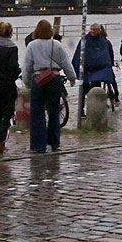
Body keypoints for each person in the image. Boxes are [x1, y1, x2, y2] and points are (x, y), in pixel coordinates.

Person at [22, 19, 76, 153]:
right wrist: (72, 78)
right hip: (54, 78)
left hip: (39, 78)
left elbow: (27, 66)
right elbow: (66, 63)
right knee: (53, 111)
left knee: (37, 113)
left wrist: (27, 82)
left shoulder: (32, 46)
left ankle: (37, 145)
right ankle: (54, 142)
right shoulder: (56, 45)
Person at [72, 23, 119, 105]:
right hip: (87, 69)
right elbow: (78, 54)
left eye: (94, 29)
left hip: (99, 69)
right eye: (91, 29)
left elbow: (105, 55)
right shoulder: (85, 40)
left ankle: (98, 106)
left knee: (97, 87)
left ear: (98, 30)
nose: (92, 31)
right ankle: (82, 109)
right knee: (83, 90)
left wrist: (108, 65)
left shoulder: (103, 41)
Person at [0, 22, 21, 153]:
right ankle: (0, 137)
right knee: (7, 113)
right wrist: (18, 72)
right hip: (6, 85)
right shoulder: (12, 48)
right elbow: (13, 67)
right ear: (10, 33)